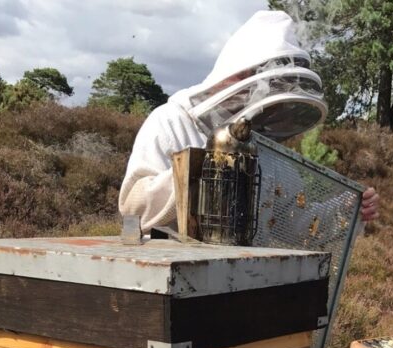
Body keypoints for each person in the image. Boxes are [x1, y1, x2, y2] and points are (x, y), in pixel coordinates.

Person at [119, 10, 379, 233]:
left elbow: (293, 222)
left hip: (244, 279)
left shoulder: (260, 142)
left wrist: (345, 210)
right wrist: (202, 168)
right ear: (237, 74)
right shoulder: (171, 122)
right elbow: (134, 209)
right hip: (173, 278)